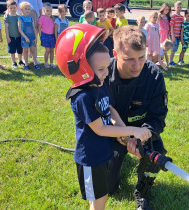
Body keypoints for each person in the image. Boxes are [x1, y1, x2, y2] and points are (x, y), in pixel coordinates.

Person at [55, 24, 152, 210]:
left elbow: (110, 109)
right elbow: (100, 128)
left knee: (101, 196)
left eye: (107, 67)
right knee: (99, 201)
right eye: (101, 69)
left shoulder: (98, 84)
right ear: (80, 69)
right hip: (91, 159)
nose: (107, 73)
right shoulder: (83, 97)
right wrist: (133, 130)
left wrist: (123, 129)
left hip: (102, 154)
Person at [106, 25, 168, 210]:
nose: (137, 65)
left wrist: (144, 135)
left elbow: (158, 116)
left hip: (142, 131)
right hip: (112, 131)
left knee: (158, 152)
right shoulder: (102, 73)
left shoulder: (154, 75)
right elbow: (97, 112)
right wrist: (119, 133)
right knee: (108, 188)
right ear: (115, 54)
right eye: (129, 59)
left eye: (142, 57)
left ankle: (143, 189)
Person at [18, 2, 40, 70]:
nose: (27, 10)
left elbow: (34, 29)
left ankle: (35, 63)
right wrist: (26, 38)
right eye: (26, 9)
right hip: (25, 38)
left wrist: (35, 38)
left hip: (32, 37)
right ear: (22, 10)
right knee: (25, 51)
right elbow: (20, 29)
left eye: (28, 9)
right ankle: (26, 64)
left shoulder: (31, 19)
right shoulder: (20, 18)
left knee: (32, 51)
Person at [5, 0, 24, 69]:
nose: (13, 9)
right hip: (11, 37)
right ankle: (14, 62)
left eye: (14, 7)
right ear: (8, 8)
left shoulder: (19, 17)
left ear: (16, 7)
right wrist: (7, 37)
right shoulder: (8, 17)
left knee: (20, 50)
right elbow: (6, 28)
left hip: (19, 36)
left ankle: (20, 61)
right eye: (11, 8)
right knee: (12, 50)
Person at [38, 3, 56, 68]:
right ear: (44, 10)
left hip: (52, 36)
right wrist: (40, 35)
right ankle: (46, 63)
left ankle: (51, 63)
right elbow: (39, 27)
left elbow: (55, 28)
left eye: (50, 11)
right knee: (47, 50)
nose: (49, 12)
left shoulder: (53, 19)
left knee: (52, 50)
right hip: (45, 36)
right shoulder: (42, 18)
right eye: (47, 11)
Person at [168, 1, 184, 67]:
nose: (179, 8)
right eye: (178, 7)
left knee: (176, 48)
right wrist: (173, 36)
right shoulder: (173, 16)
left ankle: (173, 60)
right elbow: (171, 26)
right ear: (174, 8)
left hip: (178, 36)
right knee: (174, 48)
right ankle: (170, 61)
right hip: (174, 35)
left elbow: (182, 28)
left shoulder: (182, 17)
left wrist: (181, 37)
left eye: (180, 7)